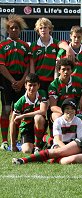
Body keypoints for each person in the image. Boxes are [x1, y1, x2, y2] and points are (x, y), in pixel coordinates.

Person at [0, 14, 30, 150]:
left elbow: (28, 65)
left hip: (21, 80)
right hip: (7, 81)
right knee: (6, 110)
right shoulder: (2, 45)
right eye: (11, 28)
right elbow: (1, 65)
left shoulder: (25, 46)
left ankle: (17, 139)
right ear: (7, 30)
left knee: (18, 111)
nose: (14, 30)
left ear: (20, 30)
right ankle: (4, 141)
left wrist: (22, 80)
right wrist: (13, 81)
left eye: (16, 28)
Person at [10, 73, 48, 153]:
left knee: (38, 117)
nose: (32, 88)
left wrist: (23, 115)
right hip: (26, 128)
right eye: (30, 85)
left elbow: (43, 111)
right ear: (25, 86)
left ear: (38, 86)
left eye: (34, 85)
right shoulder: (20, 102)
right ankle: (37, 144)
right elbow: (12, 123)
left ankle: (38, 146)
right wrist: (13, 145)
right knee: (27, 151)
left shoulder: (42, 94)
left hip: (39, 124)